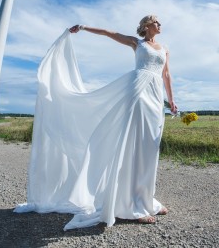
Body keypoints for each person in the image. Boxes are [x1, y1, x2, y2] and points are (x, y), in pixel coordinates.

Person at [15, 15, 177, 230]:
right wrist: (83, 27)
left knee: (149, 148)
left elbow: (166, 75)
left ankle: (147, 200)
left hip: (156, 98)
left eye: (159, 22)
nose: (160, 25)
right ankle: (131, 206)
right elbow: (109, 33)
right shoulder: (135, 43)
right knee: (133, 147)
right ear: (146, 26)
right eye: (156, 22)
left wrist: (172, 100)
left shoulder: (164, 48)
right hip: (137, 93)